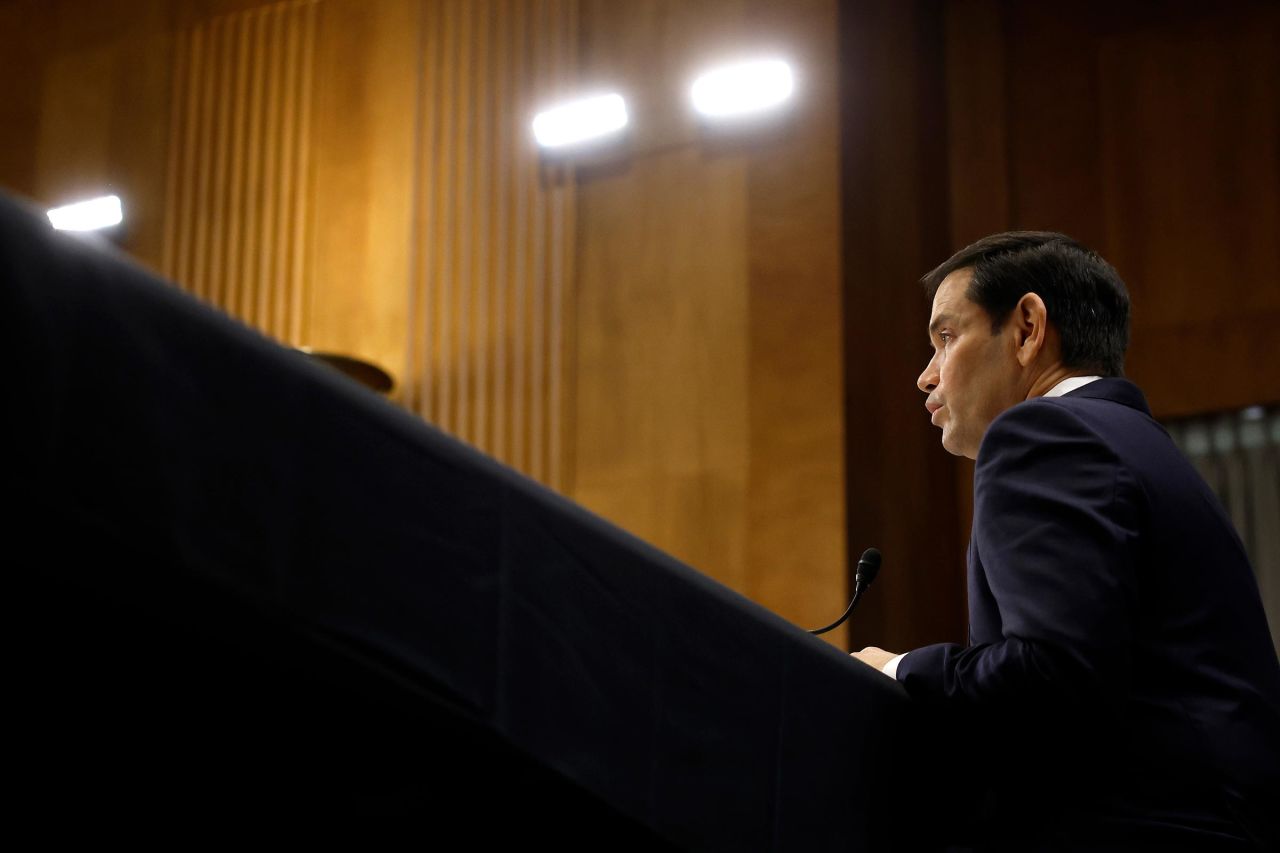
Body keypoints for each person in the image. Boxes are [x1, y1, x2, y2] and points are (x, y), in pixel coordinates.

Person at [851, 232, 1280, 850]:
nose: (925, 376)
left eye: (945, 338)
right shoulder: (1132, 441)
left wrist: (895, 670)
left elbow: (1053, 675)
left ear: (1027, 328)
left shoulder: (1043, 435)